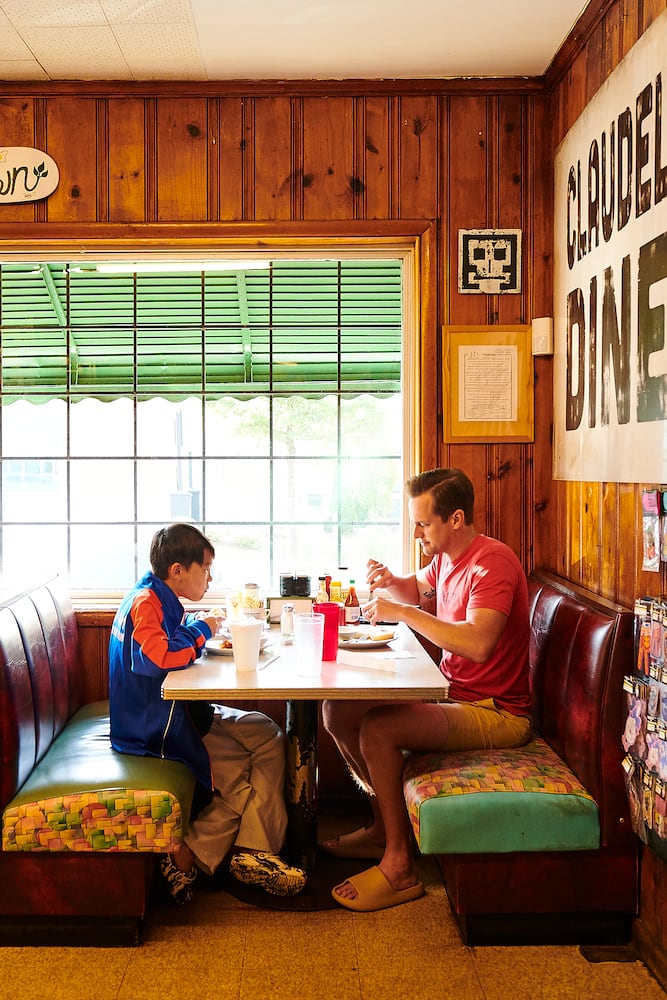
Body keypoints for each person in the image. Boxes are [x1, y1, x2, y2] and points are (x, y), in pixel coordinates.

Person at [321, 468, 532, 912]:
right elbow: (415, 589)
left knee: (379, 728)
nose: (417, 534)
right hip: (454, 695)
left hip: (496, 711)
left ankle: (400, 866)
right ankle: (384, 828)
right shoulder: (446, 558)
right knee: (336, 710)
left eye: (423, 524)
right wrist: (389, 581)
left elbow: (477, 644)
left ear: (456, 519)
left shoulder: (491, 563)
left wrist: (402, 613)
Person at [108, 522, 306, 904]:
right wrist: (204, 628)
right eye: (206, 568)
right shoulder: (145, 602)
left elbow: (166, 641)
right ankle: (205, 855)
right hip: (156, 728)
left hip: (179, 710)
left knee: (267, 732)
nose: (210, 578)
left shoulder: (156, 595)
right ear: (178, 570)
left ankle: (245, 850)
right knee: (242, 780)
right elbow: (157, 656)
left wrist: (195, 625)